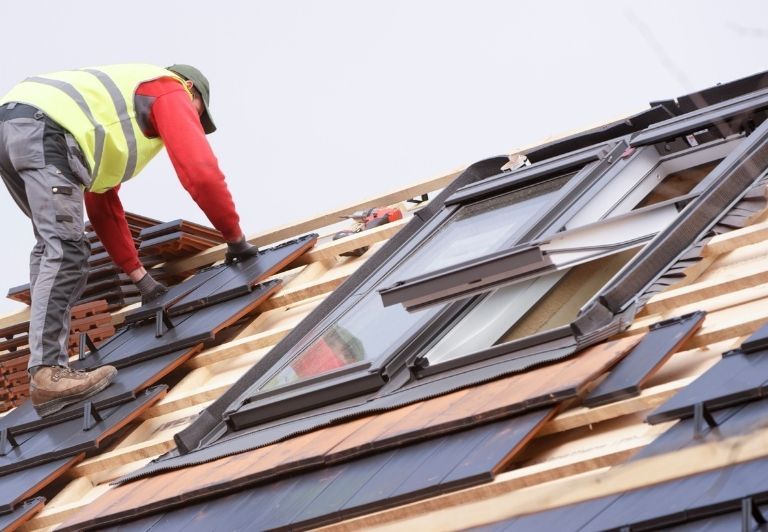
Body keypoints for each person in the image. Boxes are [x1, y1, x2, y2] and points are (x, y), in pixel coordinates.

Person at [0, 64, 259, 417]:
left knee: (51, 245)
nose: (195, 124)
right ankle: (47, 373)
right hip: (45, 130)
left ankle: (46, 369)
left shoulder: (112, 124)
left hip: (14, 126)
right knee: (67, 248)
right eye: (199, 115)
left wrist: (140, 277)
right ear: (192, 93)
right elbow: (200, 172)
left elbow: (101, 203)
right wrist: (235, 239)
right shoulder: (169, 90)